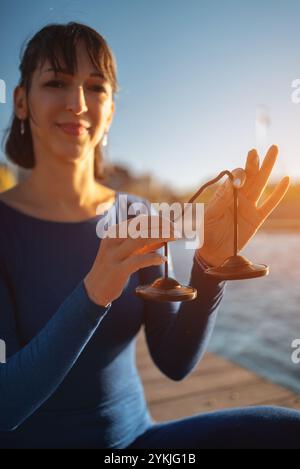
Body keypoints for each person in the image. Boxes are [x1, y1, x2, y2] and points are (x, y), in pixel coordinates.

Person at [0, 21, 298, 449]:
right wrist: (94, 293)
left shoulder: (136, 213)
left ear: (112, 111)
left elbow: (174, 362)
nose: (78, 103)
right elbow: (6, 406)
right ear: (22, 101)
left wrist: (210, 265)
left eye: (96, 87)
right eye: (56, 82)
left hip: (136, 447)